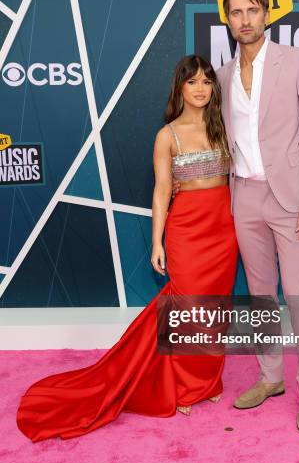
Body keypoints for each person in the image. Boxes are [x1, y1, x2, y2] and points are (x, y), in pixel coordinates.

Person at [16, 55, 238, 442]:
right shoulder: (167, 135)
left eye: (207, 82)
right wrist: (157, 241)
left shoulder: (225, 129)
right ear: (180, 88)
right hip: (186, 231)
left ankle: (206, 382)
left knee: (214, 306)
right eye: (193, 82)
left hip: (223, 233)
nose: (201, 89)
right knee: (186, 308)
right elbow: (162, 190)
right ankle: (184, 386)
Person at [175, 0, 299, 431]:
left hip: (292, 199)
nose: (245, 20)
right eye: (236, 13)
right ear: (228, 20)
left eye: (252, 11)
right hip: (243, 197)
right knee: (261, 296)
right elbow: (211, 138)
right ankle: (269, 377)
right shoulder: (220, 76)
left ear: (267, 14)